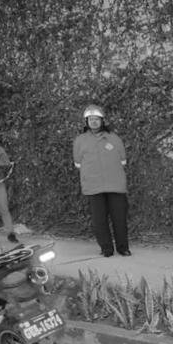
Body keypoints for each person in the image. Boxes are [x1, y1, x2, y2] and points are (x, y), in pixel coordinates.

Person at [73, 104, 130, 257]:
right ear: (86, 122)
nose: (94, 122)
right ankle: (106, 249)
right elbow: (78, 163)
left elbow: (123, 160)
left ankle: (123, 248)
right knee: (99, 221)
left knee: (119, 218)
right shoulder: (80, 141)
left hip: (115, 185)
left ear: (102, 120)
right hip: (93, 186)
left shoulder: (114, 138)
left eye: (97, 119)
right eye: (91, 119)